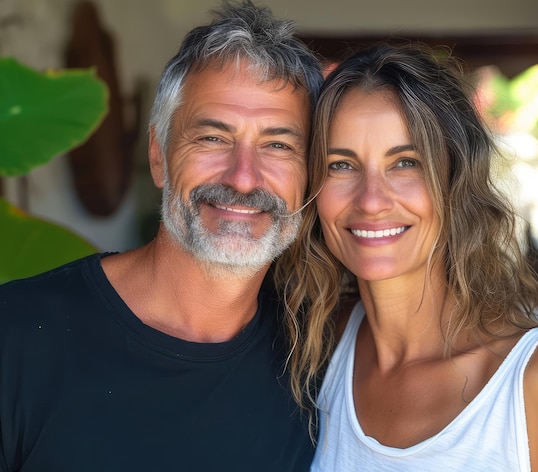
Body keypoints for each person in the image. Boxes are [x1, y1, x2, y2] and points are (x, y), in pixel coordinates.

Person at [0, 2, 323, 470]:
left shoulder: (317, 359)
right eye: (213, 138)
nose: (244, 177)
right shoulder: (18, 336)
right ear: (158, 155)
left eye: (278, 144)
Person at [275, 44, 538, 471]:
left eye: (405, 162)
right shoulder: (316, 350)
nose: (371, 200)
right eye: (341, 165)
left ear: (456, 179)